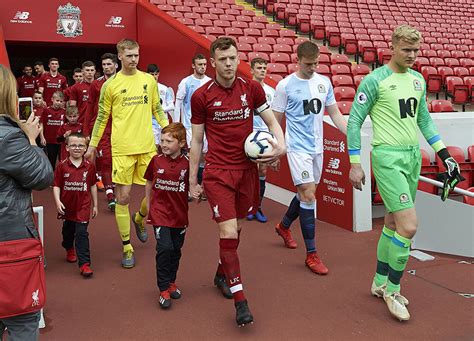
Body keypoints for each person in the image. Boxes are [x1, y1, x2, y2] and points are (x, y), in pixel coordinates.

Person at [347, 25, 462, 322]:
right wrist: (355, 162)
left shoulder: (417, 80)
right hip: (387, 158)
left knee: (391, 222)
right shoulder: (374, 81)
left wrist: (445, 155)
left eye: (415, 50)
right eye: (406, 50)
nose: (411, 55)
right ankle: (392, 291)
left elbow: (424, 120)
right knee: (409, 227)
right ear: (393, 47)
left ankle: (379, 282)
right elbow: (354, 122)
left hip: (411, 158)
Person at [190, 37, 286, 327]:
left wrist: (280, 145)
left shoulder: (251, 88)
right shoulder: (201, 96)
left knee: (237, 229)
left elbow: (271, 122)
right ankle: (240, 299)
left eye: (233, 58)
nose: (229, 64)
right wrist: (194, 179)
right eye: (223, 59)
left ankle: (222, 272)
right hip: (218, 172)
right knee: (229, 231)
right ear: (212, 63)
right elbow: (196, 140)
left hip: (246, 172)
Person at [85, 39, 169, 268]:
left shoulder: (148, 81)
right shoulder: (110, 85)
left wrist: (169, 129)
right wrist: (92, 145)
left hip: (147, 147)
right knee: (122, 198)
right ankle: (127, 246)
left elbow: (157, 109)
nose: (133, 59)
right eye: (129, 55)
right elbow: (101, 117)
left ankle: (139, 219)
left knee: (156, 194)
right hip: (122, 149)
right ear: (119, 57)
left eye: (136, 55)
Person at [272, 41, 347, 276]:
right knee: (308, 195)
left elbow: (334, 113)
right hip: (297, 148)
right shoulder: (285, 86)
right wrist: (276, 148)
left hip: (317, 148)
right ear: (298, 60)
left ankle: (284, 226)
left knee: (304, 194)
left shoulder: (324, 82)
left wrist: (352, 136)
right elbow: (275, 118)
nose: (313, 67)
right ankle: (312, 254)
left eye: (316, 63)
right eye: (308, 64)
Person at [0, 64, 54, 341]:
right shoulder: (8, 136)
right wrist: (31, 139)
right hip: (10, 245)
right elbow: (43, 177)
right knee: (22, 321)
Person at [144, 123, 189, 309]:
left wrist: (198, 193)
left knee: (176, 250)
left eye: (169, 141)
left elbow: (194, 187)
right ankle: (163, 288)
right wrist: (149, 205)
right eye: (162, 140)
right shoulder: (156, 160)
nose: (164, 144)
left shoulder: (188, 164)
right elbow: (148, 182)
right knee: (165, 248)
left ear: (181, 143)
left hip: (179, 215)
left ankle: (171, 281)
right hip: (159, 212)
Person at [53, 132, 98, 277]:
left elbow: (92, 185)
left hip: (83, 206)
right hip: (67, 206)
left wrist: (95, 205)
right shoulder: (62, 166)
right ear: (67, 148)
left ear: (85, 148)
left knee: (81, 233)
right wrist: (58, 201)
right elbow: (56, 185)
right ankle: (68, 247)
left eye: (80, 145)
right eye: (73, 145)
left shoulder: (89, 166)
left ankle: (84, 264)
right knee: (68, 230)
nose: (77, 148)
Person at [85, 53, 118, 211]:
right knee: (105, 160)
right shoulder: (96, 85)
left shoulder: (124, 82)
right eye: (104, 65)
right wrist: (86, 131)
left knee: (116, 161)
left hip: (120, 128)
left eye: (109, 64)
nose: (106, 67)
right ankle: (110, 195)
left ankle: (113, 186)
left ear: (116, 65)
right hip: (102, 128)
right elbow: (89, 109)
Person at [246, 57, 276, 223]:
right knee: (248, 172)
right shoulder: (245, 89)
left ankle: (258, 207)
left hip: (265, 136)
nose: (262, 70)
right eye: (259, 68)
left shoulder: (271, 92)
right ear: (252, 70)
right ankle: (247, 206)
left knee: (262, 171)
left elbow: (274, 118)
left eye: (264, 67)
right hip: (248, 136)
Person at [175, 54, 211, 185]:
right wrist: (176, 124)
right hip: (189, 125)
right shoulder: (185, 82)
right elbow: (178, 103)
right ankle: (189, 184)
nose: (203, 67)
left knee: (204, 156)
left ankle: (199, 184)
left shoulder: (210, 82)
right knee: (192, 154)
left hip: (206, 126)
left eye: (204, 64)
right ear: (193, 66)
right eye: (200, 64)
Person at [147, 63, 175, 149]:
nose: (154, 76)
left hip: (163, 123)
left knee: (165, 147)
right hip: (151, 124)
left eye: (156, 74)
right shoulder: (144, 89)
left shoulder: (164, 88)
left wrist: (160, 109)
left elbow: (172, 106)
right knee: (154, 147)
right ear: (148, 74)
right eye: (152, 74)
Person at [41, 91, 66, 169]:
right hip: (49, 141)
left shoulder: (64, 112)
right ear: (52, 99)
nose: (59, 103)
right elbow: (41, 124)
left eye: (61, 101)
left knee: (62, 161)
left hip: (61, 142)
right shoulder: (46, 110)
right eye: (57, 100)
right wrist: (42, 137)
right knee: (50, 161)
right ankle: (51, 179)